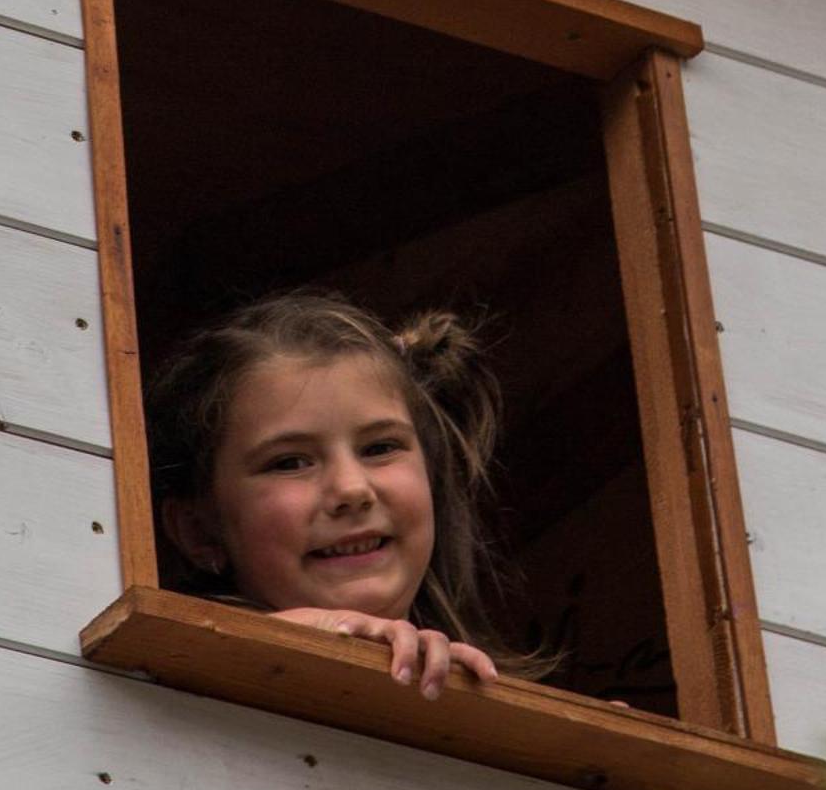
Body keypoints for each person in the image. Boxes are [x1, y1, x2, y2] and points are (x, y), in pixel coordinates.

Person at [145, 288, 544, 696]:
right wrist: (268, 646)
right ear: (199, 530)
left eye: (380, 448)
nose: (352, 490)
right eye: (290, 463)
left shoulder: (485, 704)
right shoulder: (158, 683)